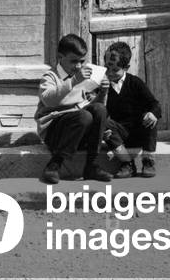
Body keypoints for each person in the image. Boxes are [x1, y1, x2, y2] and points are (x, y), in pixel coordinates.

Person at [35, 33, 114, 185]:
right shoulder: (50, 76)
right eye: (73, 61)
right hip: (55, 133)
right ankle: (54, 164)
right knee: (84, 116)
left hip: (78, 133)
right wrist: (74, 81)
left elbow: (89, 106)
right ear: (60, 57)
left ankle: (91, 165)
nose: (78, 66)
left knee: (99, 109)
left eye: (81, 61)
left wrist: (103, 92)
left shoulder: (82, 77)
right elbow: (48, 99)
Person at [102, 41, 161, 178]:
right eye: (107, 68)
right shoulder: (102, 85)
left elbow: (154, 104)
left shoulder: (135, 83)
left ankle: (148, 161)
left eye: (115, 70)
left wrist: (153, 114)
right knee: (104, 123)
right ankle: (127, 164)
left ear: (126, 68)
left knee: (150, 118)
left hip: (139, 133)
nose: (109, 73)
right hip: (119, 137)